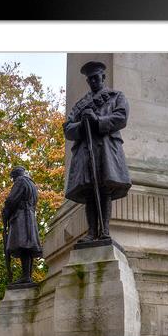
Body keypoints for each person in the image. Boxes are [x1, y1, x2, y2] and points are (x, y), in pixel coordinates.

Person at [63, 61, 132, 244]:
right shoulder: (80, 106)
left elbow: (121, 117)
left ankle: (105, 231)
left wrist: (97, 120)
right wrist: (82, 124)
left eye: (96, 78)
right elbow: (68, 129)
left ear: (103, 77)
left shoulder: (116, 96)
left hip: (106, 149)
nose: (93, 82)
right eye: (90, 79)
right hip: (86, 151)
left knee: (104, 189)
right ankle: (92, 232)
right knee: (89, 192)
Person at [2, 166, 42, 285]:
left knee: (24, 245)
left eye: (13, 178)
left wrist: (5, 212)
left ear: (16, 176)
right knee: (28, 246)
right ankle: (27, 276)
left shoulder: (20, 181)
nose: (13, 181)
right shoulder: (32, 184)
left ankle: (26, 276)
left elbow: (11, 200)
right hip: (29, 216)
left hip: (21, 217)